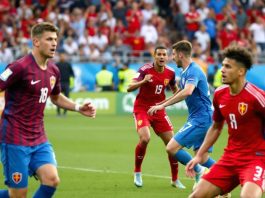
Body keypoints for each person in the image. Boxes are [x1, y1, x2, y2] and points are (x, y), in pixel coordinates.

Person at [0, 22, 96, 198]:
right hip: (14, 138)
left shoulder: (53, 70)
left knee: (52, 180)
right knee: (18, 195)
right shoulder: (18, 67)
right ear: (36, 42)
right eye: (49, 39)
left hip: (39, 137)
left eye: (55, 40)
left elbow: (56, 97)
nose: (54, 44)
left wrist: (77, 107)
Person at [186, 45, 265, 198]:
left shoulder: (257, 97)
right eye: (222, 65)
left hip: (256, 159)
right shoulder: (220, 94)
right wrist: (199, 155)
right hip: (230, 158)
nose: (222, 69)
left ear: (241, 71)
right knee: (196, 196)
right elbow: (216, 127)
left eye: (228, 67)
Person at [148, 40, 215, 188]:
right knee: (203, 157)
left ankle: (199, 171)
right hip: (201, 116)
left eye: (173, 54)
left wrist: (163, 105)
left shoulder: (194, 70)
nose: (171, 58)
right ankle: (228, 178)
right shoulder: (184, 71)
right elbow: (180, 90)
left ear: (180, 55)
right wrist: (161, 104)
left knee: (172, 148)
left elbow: (188, 90)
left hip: (202, 118)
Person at [127, 46, 185, 189]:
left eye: (164, 54)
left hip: (159, 110)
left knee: (172, 144)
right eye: (158, 54)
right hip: (142, 109)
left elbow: (175, 90)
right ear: (154, 56)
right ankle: (137, 172)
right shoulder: (144, 70)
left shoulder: (170, 73)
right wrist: (143, 81)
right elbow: (129, 87)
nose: (161, 57)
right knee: (145, 138)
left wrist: (183, 93)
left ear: (167, 57)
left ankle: (175, 179)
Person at [55, 51, 75, 116]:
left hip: (66, 83)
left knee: (66, 99)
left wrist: (71, 80)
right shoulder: (57, 64)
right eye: (61, 56)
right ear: (59, 57)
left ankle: (65, 112)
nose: (63, 57)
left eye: (64, 56)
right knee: (58, 98)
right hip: (59, 83)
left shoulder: (68, 65)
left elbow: (72, 74)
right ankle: (58, 112)